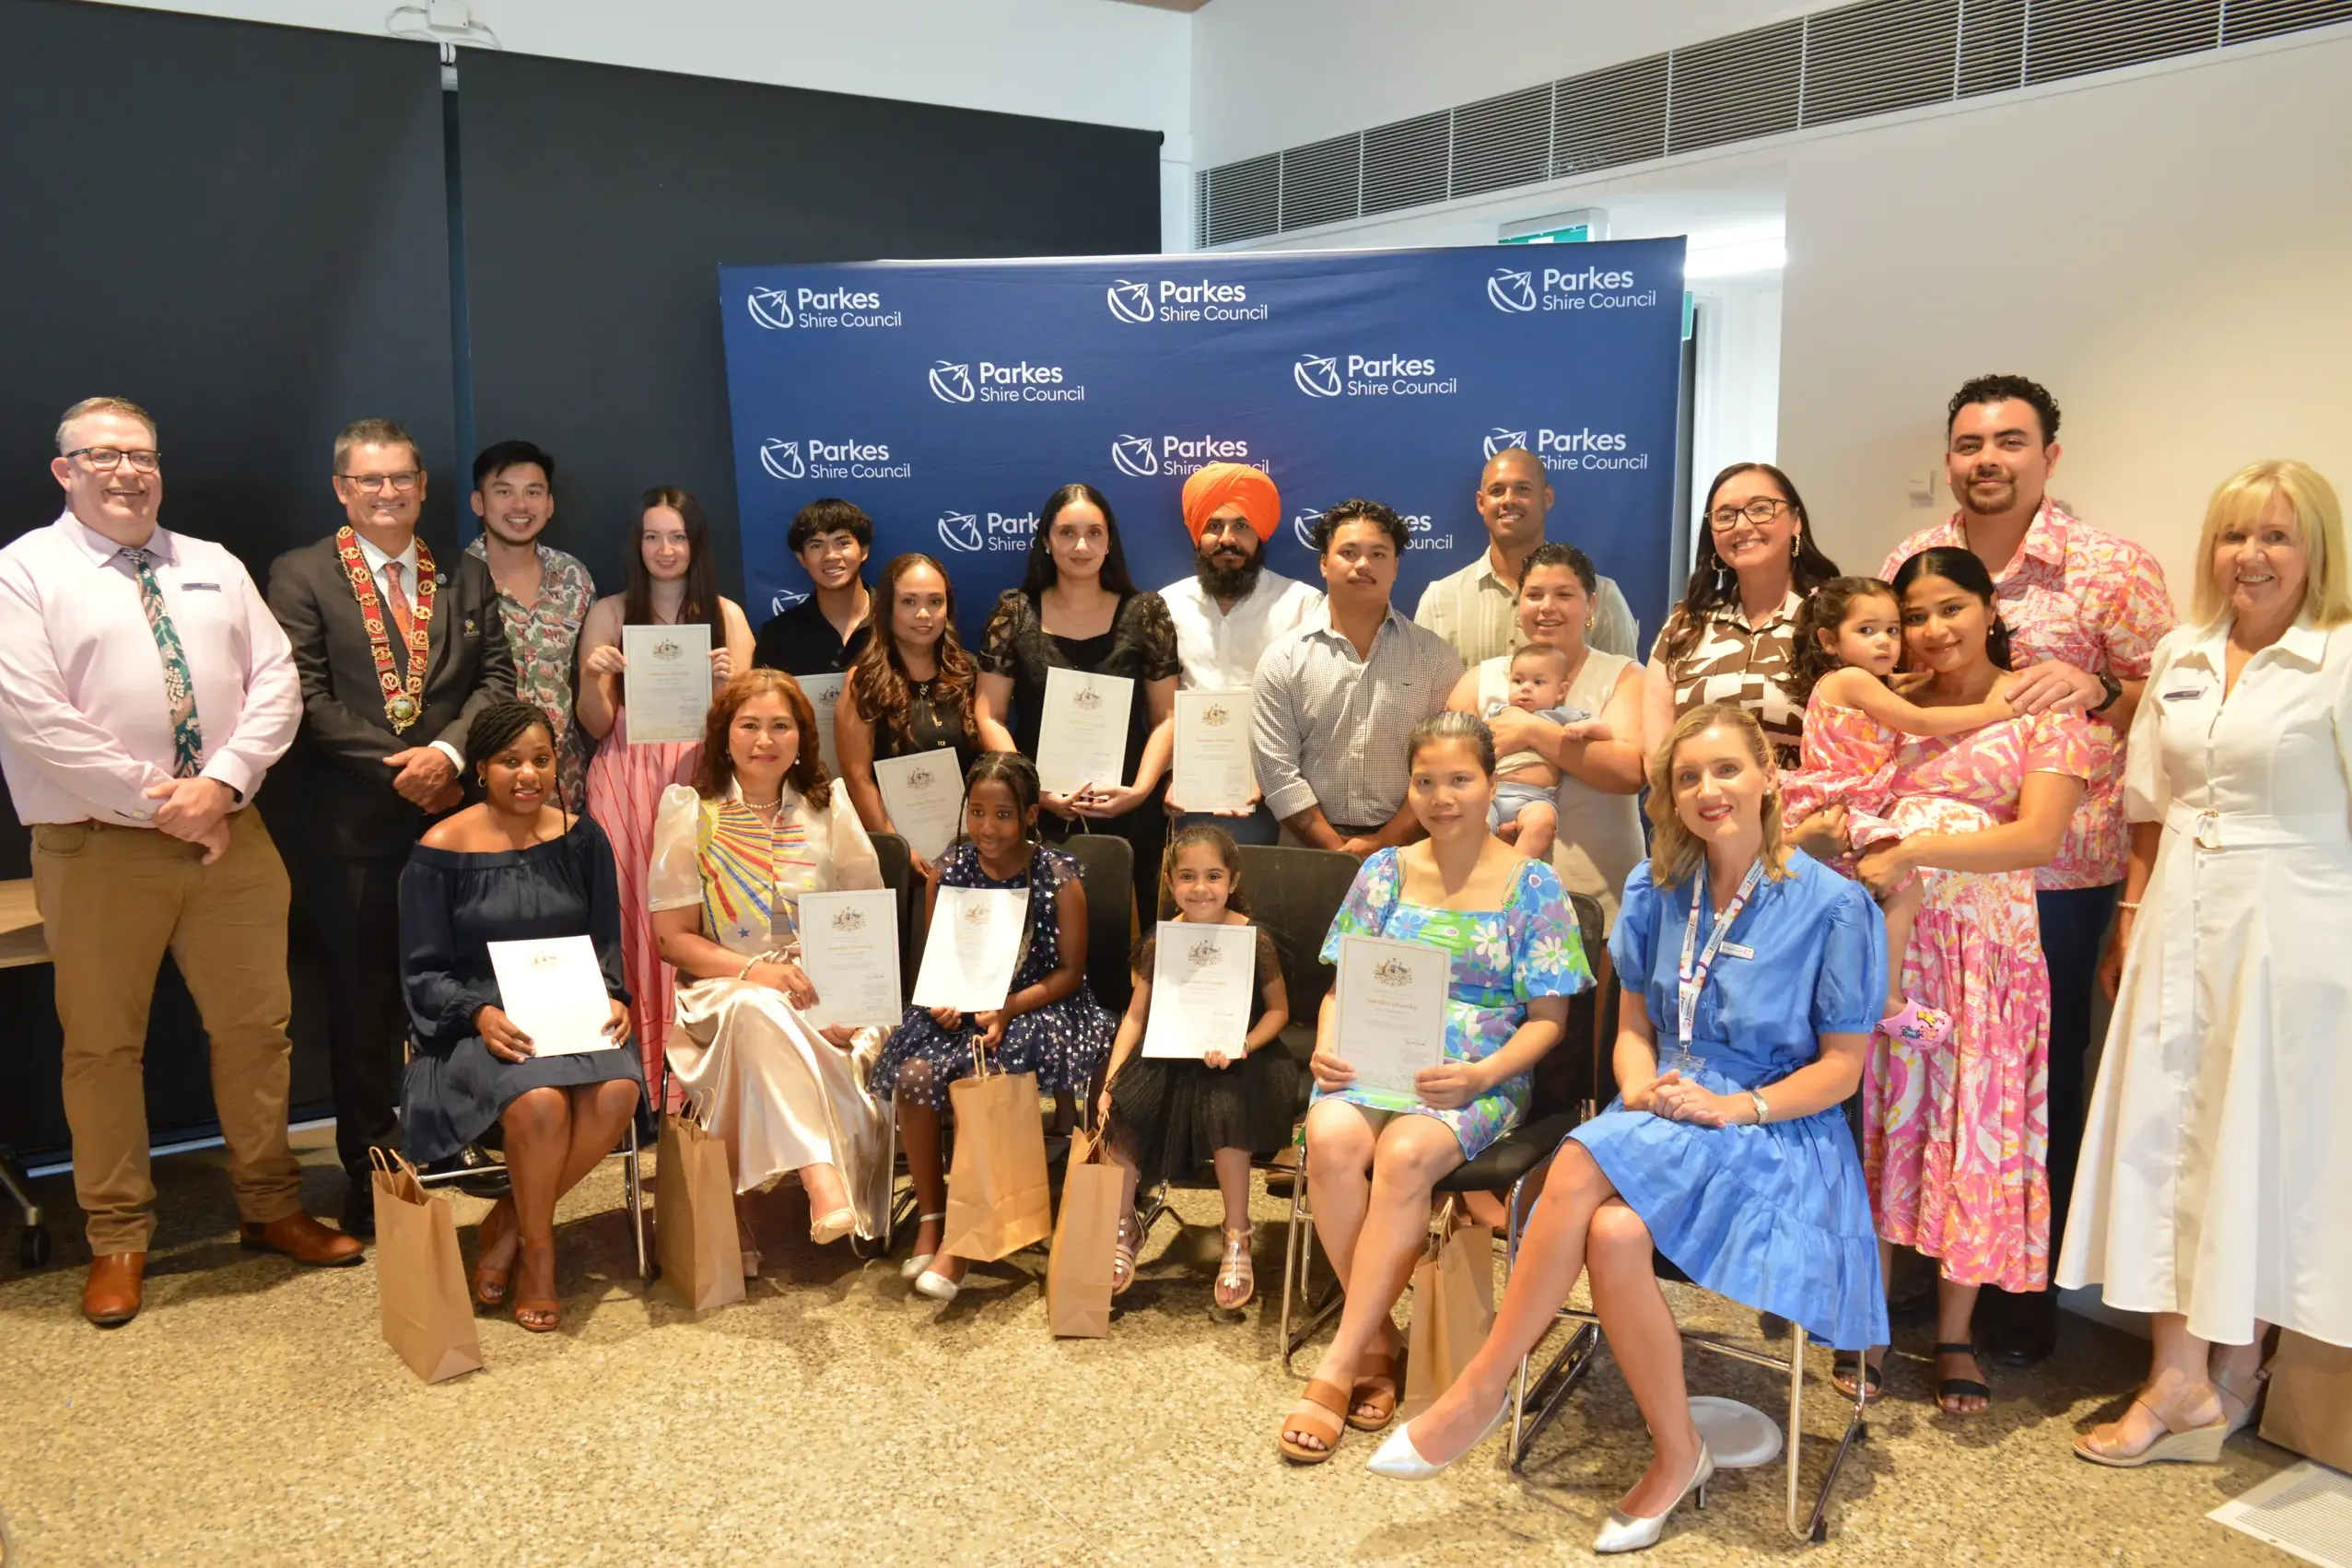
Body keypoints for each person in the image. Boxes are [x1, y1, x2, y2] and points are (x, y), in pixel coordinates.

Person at [1375, 705, 1889, 1556]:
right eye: (1686, 777)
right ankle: (1676, 1452)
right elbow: (1632, 1032)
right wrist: (1640, 1091)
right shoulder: (1656, 888)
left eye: (1726, 769)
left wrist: (1733, 1108)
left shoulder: (1833, 907)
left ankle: (1481, 1388)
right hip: (1662, 1109)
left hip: (1774, 1128)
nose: (1707, 791)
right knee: (1612, 1234)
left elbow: (1841, 1069)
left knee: (1576, 1165)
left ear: (1768, 776)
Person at [0, 396, 362, 1327]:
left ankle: (271, 1204)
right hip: (98, 847)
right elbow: (35, 719)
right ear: (64, 471)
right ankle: (118, 1234)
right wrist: (165, 804)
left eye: (143, 455)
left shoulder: (210, 564)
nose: (128, 471)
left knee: (258, 1031)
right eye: (104, 455)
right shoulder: (23, 573)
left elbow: (277, 681)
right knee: (102, 1047)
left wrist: (226, 784)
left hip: (231, 837)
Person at [2059, 461, 2352, 1464]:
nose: (2252, 557)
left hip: (2299, 926)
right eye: (2235, 536)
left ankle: (2229, 1379)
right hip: (2181, 903)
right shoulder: (2184, 651)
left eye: (2276, 537)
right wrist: (2130, 912)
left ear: (2317, 550)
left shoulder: (2343, 659)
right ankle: (2177, 1377)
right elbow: (2148, 803)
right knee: (2163, 1129)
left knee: (2259, 1140)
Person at [1881, 374, 2173, 1365]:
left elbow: (2156, 700)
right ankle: (1914, 1264)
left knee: (2031, 1091)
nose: (1987, 459)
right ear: (1951, 457)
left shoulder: (2110, 569)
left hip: (2056, 875)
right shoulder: (1910, 562)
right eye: (1970, 443)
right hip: (1925, 894)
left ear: (2050, 453)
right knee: (1915, 1076)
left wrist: (2097, 685)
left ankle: (2018, 1288)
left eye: (2010, 441)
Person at [1276, 711, 1584, 1464]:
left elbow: (1548, 1020)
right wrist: (1328, 1043)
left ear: (1489, 785)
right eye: (1425, 781)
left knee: (1408, 1153)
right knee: (1331, 1135)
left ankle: (1340, 1366)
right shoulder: (1382, 871)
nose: (1441, 797)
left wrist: (1482, 1073)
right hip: (1373, 1061)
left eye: (1459, 780)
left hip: (1472, 1076)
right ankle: (1376, 1336)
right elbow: (1340, 986)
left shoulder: (1532, 886)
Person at [1843, 547, 2093, 1412]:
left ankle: (1955, 1334)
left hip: (1989, 964)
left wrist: (1914, 849)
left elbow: (2037, 839)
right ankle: (1864, 1321)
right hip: (1892, 955)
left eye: (1950, 607)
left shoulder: (2043, 709)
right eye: (1914, 615)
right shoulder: (1890, 707)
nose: (1931, 629)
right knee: (1880, 1123)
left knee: (1975, 1136)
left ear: (1990, 607)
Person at [268, 416, 515, 1235]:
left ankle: (461, 1136)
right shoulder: (301, 575)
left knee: (465, 993)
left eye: (400, 478)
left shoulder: (463, 575)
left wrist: (447, 754)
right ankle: (377, 1171)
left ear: (422, 486)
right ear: (342, 489)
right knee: (365, 1007)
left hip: (454, 825)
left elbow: (496, 679)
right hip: (350, 837)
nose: (386, 493)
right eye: (368, 480)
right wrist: (405, 767)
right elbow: (304, 700)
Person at [397, 701, 642, 1332]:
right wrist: (476, 1014)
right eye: (510, 762)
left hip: (570, 1012)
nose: (528, 774)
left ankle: (507, 1218)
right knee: (540, 1104)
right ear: (481, 768)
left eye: (540, 759)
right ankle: (539, 1254)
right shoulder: (438, 849)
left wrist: (614, 995)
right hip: (476, 1024)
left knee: (617, 1090)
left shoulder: (581, 837)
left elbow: (605, 941)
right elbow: (422, 971)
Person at [649, 669, 894, 1272]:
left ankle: (754, 1206)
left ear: (801, 736)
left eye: (780, 725)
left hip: (821, 987)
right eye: (749, 725)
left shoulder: (828, 807)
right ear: (723, 735)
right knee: (753, 1009)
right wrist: (756, 970)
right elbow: (671, 939)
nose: (765, 739)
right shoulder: (690, 812)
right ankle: (820, 1176)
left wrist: (843, 1000)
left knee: (833, 1029)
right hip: (721, 990)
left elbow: (863, 922)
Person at [869, 752, 1115, 1303]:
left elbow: (1071, 973)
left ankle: (963, 1238)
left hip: (1037, 1005)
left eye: (1002, 815)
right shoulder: (949, 868)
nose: (986, 827)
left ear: (1030, 815)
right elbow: (938, 959)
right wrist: (941, 1003)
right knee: (913, 1074)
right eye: (976, 812)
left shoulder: (1058, 876)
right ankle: (933, 1217)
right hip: (965, 1006)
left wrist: (1007, 1007)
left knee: (987, 1074)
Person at [575, 486, 755, 1102]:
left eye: (676, 536)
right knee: (627, 927)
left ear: (696, 543)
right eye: (652, 536)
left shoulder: (727, 615)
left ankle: (693, 1084)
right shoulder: (608, 612)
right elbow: (594, 723)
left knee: (702, 926)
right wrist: (598, 676)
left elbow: (750, 730)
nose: (664, 549)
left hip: (700, 786)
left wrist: (734, 688)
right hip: (624, 785)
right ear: (637, 544)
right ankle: (630, 1086)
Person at [1778, 576, 2015, 1038]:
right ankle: (1887, 997)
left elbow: (1903, 692)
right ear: (1829, 641)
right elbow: (1921, 720)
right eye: (1866, 631)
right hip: (1843, 803)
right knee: (1906, 883)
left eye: (1891, 629)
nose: (1885, 641)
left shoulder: (1863, 681)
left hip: (1851, 801)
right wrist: (1999, 709)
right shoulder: (1849, 679)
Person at [1094, 825, 1295, 1310]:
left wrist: (1243, 1045)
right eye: (1187, 876)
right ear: (1169, 882)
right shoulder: (1162, 941)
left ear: (1233, 879)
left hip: (1238, 1055)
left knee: (1227, 1113)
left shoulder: (1252, 937)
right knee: (1124, 1110)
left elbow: (1278, 1012)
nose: (1200, 887)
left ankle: (1236, 1234)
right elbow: (1136, 1016)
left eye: (1212, 876)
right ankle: (1125, 1226)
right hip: (1170, 1050)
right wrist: (1110, 1081)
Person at [976, 484, 1179, 919]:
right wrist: (1031, 791)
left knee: (1127, 938)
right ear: (1047, 541)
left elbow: (1167, 718)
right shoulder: (1014, 613)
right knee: (1040, 943)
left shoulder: (1145, 613)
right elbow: (988, 714)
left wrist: (1139, 792)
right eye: (1067, 533)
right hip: (1037, 812)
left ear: (1110, 542)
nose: (1081, 545)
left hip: (1127, 808)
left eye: (1094, 533)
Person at [1443, 542, 1644, 925]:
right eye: (1534, 594)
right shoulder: (1480, 679)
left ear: (1592, 607)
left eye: (1564, 594)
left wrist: (1531, 730)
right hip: (1491, 893)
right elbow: (1442, 772)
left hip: (1597, 890)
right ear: (1519, 607)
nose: (1547, 606)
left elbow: (1630, 771)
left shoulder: (1625, 675)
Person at [1252, 499, 1465, 858]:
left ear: (1395, 566)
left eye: (1378, 554)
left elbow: (1448, 762)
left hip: (1413, 849)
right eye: (1348, 552)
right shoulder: (1282, 659)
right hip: (1307, 851)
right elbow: (1277, 772)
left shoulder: (1435, 658)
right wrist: (1334, 849)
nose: (1363, 564)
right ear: (1323, 562)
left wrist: (1387, 842)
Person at [1155, 462, 1323, 844]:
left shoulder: (1302, 604)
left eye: (1241, 526)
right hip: (1186, 795)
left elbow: (1315, 708)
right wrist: (1170, 775)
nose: (1226, 538)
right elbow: (1159, 708)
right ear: (1198, 534)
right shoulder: (1166, 604)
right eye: (1214, 526)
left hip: (1280, 798)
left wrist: (1273, 776)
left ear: (1260, 534)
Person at [1643, 462, 1843, 771]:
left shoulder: (1836, 618)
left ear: (1796, 521)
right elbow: (1657, 754)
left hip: (1807, 814)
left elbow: (1863, 740)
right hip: (1700, 812)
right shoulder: (1686, 623)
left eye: (1761, 508)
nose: (1742, 525)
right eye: (1725, 516)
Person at [835, 552, 1006, 879]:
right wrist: (900, 847)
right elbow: (858, 779)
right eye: (909, 602)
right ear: (887, 610)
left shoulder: (968, 672)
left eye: (935, 602)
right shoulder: (863, 683)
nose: (924, 614)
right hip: (900, 858)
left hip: (976, 849)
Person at [1414, 446, 1641, 662]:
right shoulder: (1439, 601)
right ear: (1481, 503)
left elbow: (1627, 691)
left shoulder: (1602, 597)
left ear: (1547, 498)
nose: (1508, 500)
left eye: (1523, 489)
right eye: (1497, 491)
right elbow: (1424, 696)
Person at [465, 439, 596, 807]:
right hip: (480, 787)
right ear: (479, 502)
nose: (520, 505)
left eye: (533, 492)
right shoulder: (454, 581)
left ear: (549, 505)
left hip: (563, 785)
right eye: (503, 491)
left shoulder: (574, 577)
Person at [752, 497, 873, 677]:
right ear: (802, 559)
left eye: (842, 543)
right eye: (816, 545)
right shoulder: (778, 636)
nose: (830, 556)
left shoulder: (897, 622)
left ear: (863, 551)